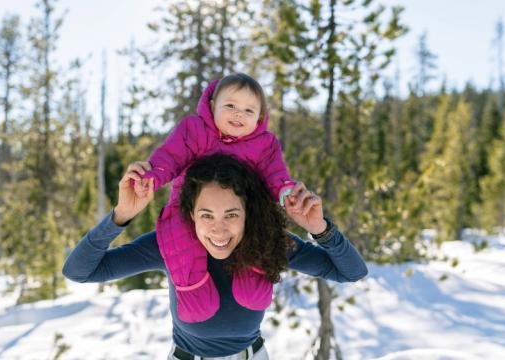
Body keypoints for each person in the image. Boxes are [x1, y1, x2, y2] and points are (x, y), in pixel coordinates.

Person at [62, 154, 368, 360]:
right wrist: (120, 216)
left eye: (232, 214)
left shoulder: (268, 242)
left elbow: (351, 271)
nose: (218, 230)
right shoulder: (168, 245)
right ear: (191, 214)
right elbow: (79, 271)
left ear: (249, 213)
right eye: (206, 215)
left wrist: (320, 228)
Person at [128, 73, 296, 323]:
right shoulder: (195, 130)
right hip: (189, 210)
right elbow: (171, 156)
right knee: (180, 242)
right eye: (230, 106)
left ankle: (256, 273)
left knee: (258, 238)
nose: (239, 114)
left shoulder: (265, 144)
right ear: (212, 106)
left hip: (241, 216)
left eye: (249, 110)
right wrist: (153, 176)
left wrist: (285, 192)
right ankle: (192, 289)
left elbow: (275, 173)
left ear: (260, 117)